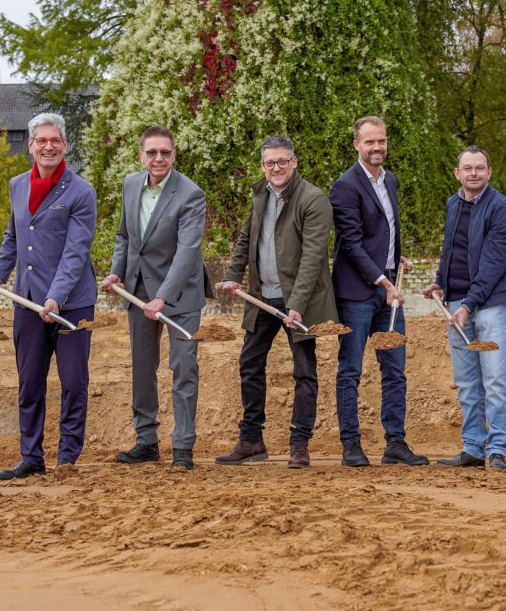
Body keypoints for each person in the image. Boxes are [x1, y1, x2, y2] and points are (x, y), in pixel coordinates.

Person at [0, 113, 97, 480]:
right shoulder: (17, 185)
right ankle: (31, 456)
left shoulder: (81, 191)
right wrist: (0, 273)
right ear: (31, 145)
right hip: (28, 301)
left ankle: (67, 457)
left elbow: (76, 252)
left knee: (73, 380)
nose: (48, 146)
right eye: (41, 141)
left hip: (72, 303)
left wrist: (56, 298)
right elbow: (13, 236)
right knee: (30, 381)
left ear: (64, 145)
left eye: (55, 141)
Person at [216, 135, 337, 470]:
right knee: (249, 363)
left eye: (282, 161)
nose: (276, 167)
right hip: (261, 297)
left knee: (304, 371)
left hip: (301, 301)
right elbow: (246, 238)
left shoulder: (313, 199)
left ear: (294, 162)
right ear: (263, 166)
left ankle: (299, 444)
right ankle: (252, 440)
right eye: (270, 162)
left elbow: (313, 258)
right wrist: (232, 274)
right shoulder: (260, 195)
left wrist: (295, 304)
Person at [101, 126, 212, 471]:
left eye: (165, 152)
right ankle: (146, 441)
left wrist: (163, 297)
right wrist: (117, 272)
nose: (158, 158)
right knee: (142, 369)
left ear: (174, 155)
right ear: (142, 156)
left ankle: (183, 447)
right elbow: (124, 235)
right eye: (152, 153)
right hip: (138, 292)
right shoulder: (131, 184)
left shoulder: (191, 194)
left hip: (180, 296)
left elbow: (187, 252)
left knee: (183, 369)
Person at [330, 116, 428, 467]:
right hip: (357, 293)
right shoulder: (345, 186)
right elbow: (352, 245)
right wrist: (383, 282)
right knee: (351, 370)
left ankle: (395, 444)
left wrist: (395, 258)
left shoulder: (391, 181)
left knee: (395, 369)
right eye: (370, 142)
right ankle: (351, 445)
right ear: (356, 144)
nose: (377, 148)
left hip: (389, 287)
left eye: (382, 141)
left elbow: (382, 231)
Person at [423, 146, 506, 470]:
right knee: (467, 382)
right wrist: (439, 282)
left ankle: (498, 448)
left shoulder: (503, 208)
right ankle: (474, 447)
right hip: (456, 303)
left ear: (489, 172)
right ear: (457, 173)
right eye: (468, 168)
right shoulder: (453, 204)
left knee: (494, 379)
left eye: (479, 168)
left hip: (488, 305)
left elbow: (493, 263)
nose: (473, 173)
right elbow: (450, 249)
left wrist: (468, 304)